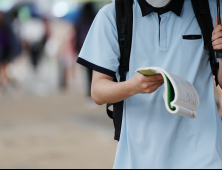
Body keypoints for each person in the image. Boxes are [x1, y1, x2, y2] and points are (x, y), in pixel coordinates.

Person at [77, 0, 222, 168]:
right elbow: (98, 91)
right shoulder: (112, 16)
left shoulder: (211, 9)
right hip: (140, 157)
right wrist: (133, 86)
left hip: (204, 153)